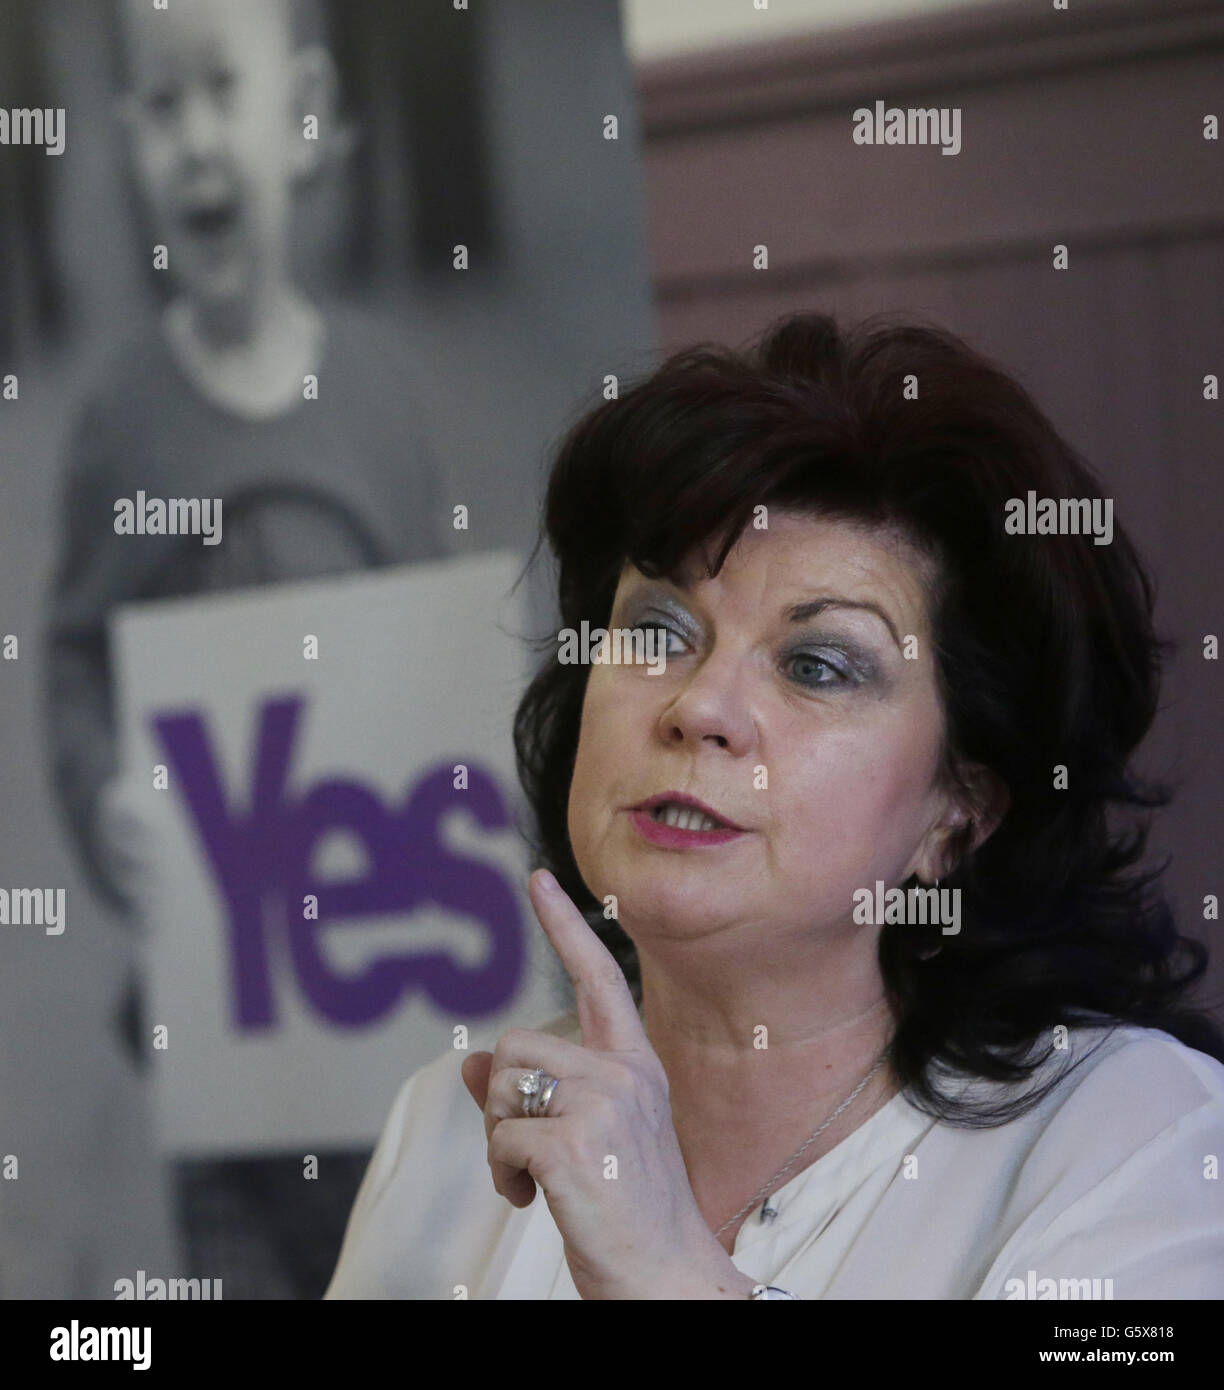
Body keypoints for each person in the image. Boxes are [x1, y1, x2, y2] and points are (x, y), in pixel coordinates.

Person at [325, 311, 1224, 1299]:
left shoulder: (1138, 1132)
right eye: (657, 628)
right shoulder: (451, 1125)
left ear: (958, 810)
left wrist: (665, 1269)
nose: (699, 706)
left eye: (818, 665)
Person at [43, 0, 448, 1298]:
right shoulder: (121, 424)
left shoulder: (383, 394)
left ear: (309, 113)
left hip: (380, 1009)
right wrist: (103, 785)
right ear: (127, 147)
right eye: (160, 108)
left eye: (223, 88)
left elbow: (435, 671)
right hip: (215, 1014)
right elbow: (71, 654)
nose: (197, 139)